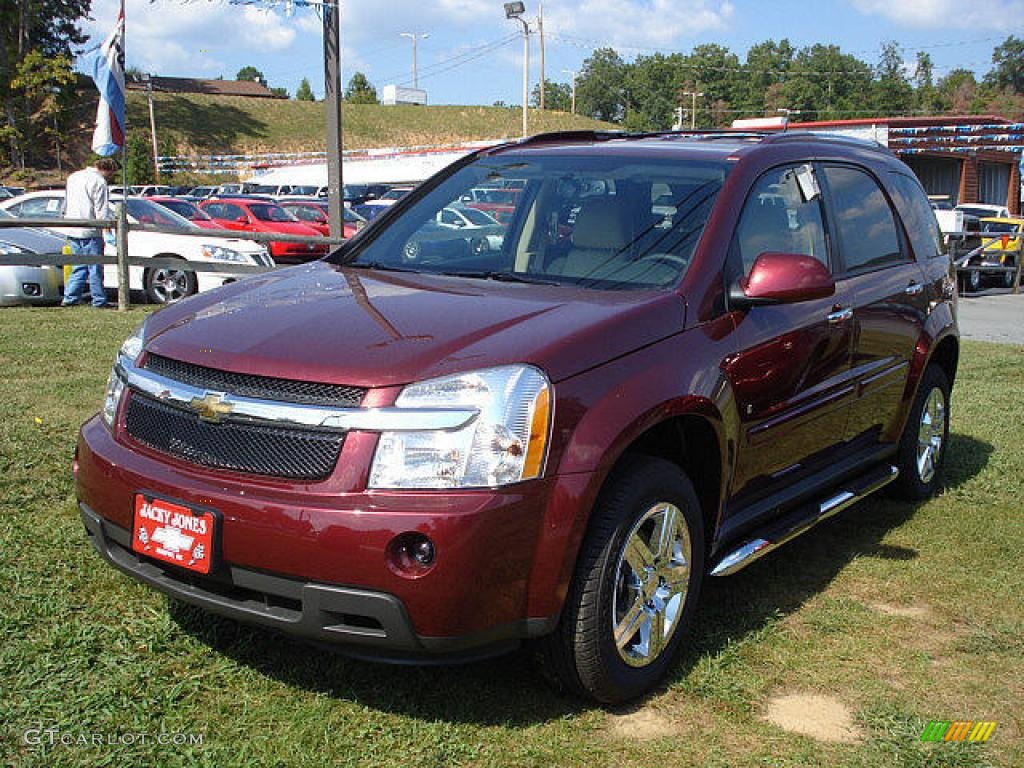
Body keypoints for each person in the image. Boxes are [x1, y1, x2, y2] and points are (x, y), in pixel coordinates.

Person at [62, 157, 119, 307]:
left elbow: (66, 202)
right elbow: (101, 211)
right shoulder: (99, 182)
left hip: (72, 227)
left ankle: (70, 298)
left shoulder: (74, 177)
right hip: (90, 230)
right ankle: (99, 300)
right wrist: (107, 231)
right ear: (109, 170)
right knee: (95, 267)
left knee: (79, 265)